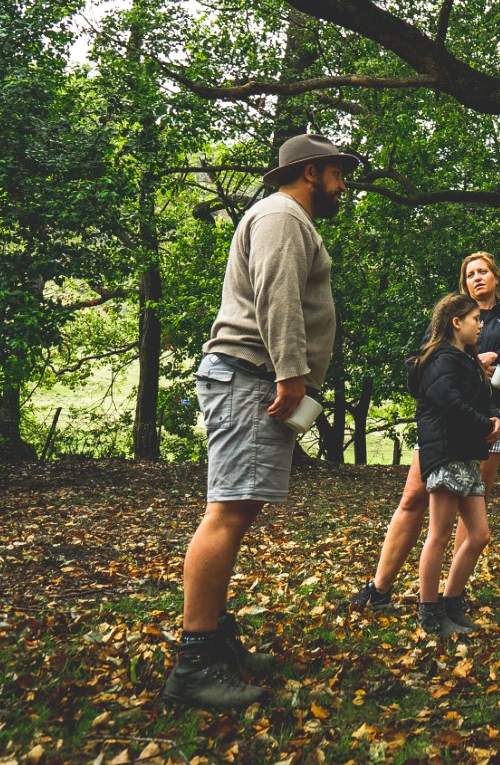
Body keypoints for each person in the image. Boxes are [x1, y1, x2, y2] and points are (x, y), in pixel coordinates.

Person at [161, 132, 361, 711]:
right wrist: (290, 376)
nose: (342, 184)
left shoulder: (282, 216)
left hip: (255, 377)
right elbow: (278, 297)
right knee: (225, 512)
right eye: (336, 172)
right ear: (311, 171)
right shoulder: (281, 215)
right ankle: (194, 663)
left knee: (238, 507)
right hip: (253, 377)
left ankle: (216, 644)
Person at [349, 251, 500, 612]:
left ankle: (453, 594)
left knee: (471, 505)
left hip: (493, 417)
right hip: (446, 419)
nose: (477, 278)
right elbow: (425, 360)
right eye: (470, 274)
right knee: (412, 497)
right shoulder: (452, 317)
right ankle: (379, 588)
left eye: (483, 272)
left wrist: (499, 359)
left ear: (496, 278)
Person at [408, 293, 500, 635]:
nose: (481, 324)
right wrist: (482, 423)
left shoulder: (467, 359)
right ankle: (429, 613)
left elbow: (481, 400)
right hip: (446, 454)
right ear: (456, 323)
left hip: (467, 455)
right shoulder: (440, 359)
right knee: (439, 535)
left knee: (478, 536)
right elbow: (449, 401)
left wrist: (494, 420)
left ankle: (450, 602)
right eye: (476, 319)